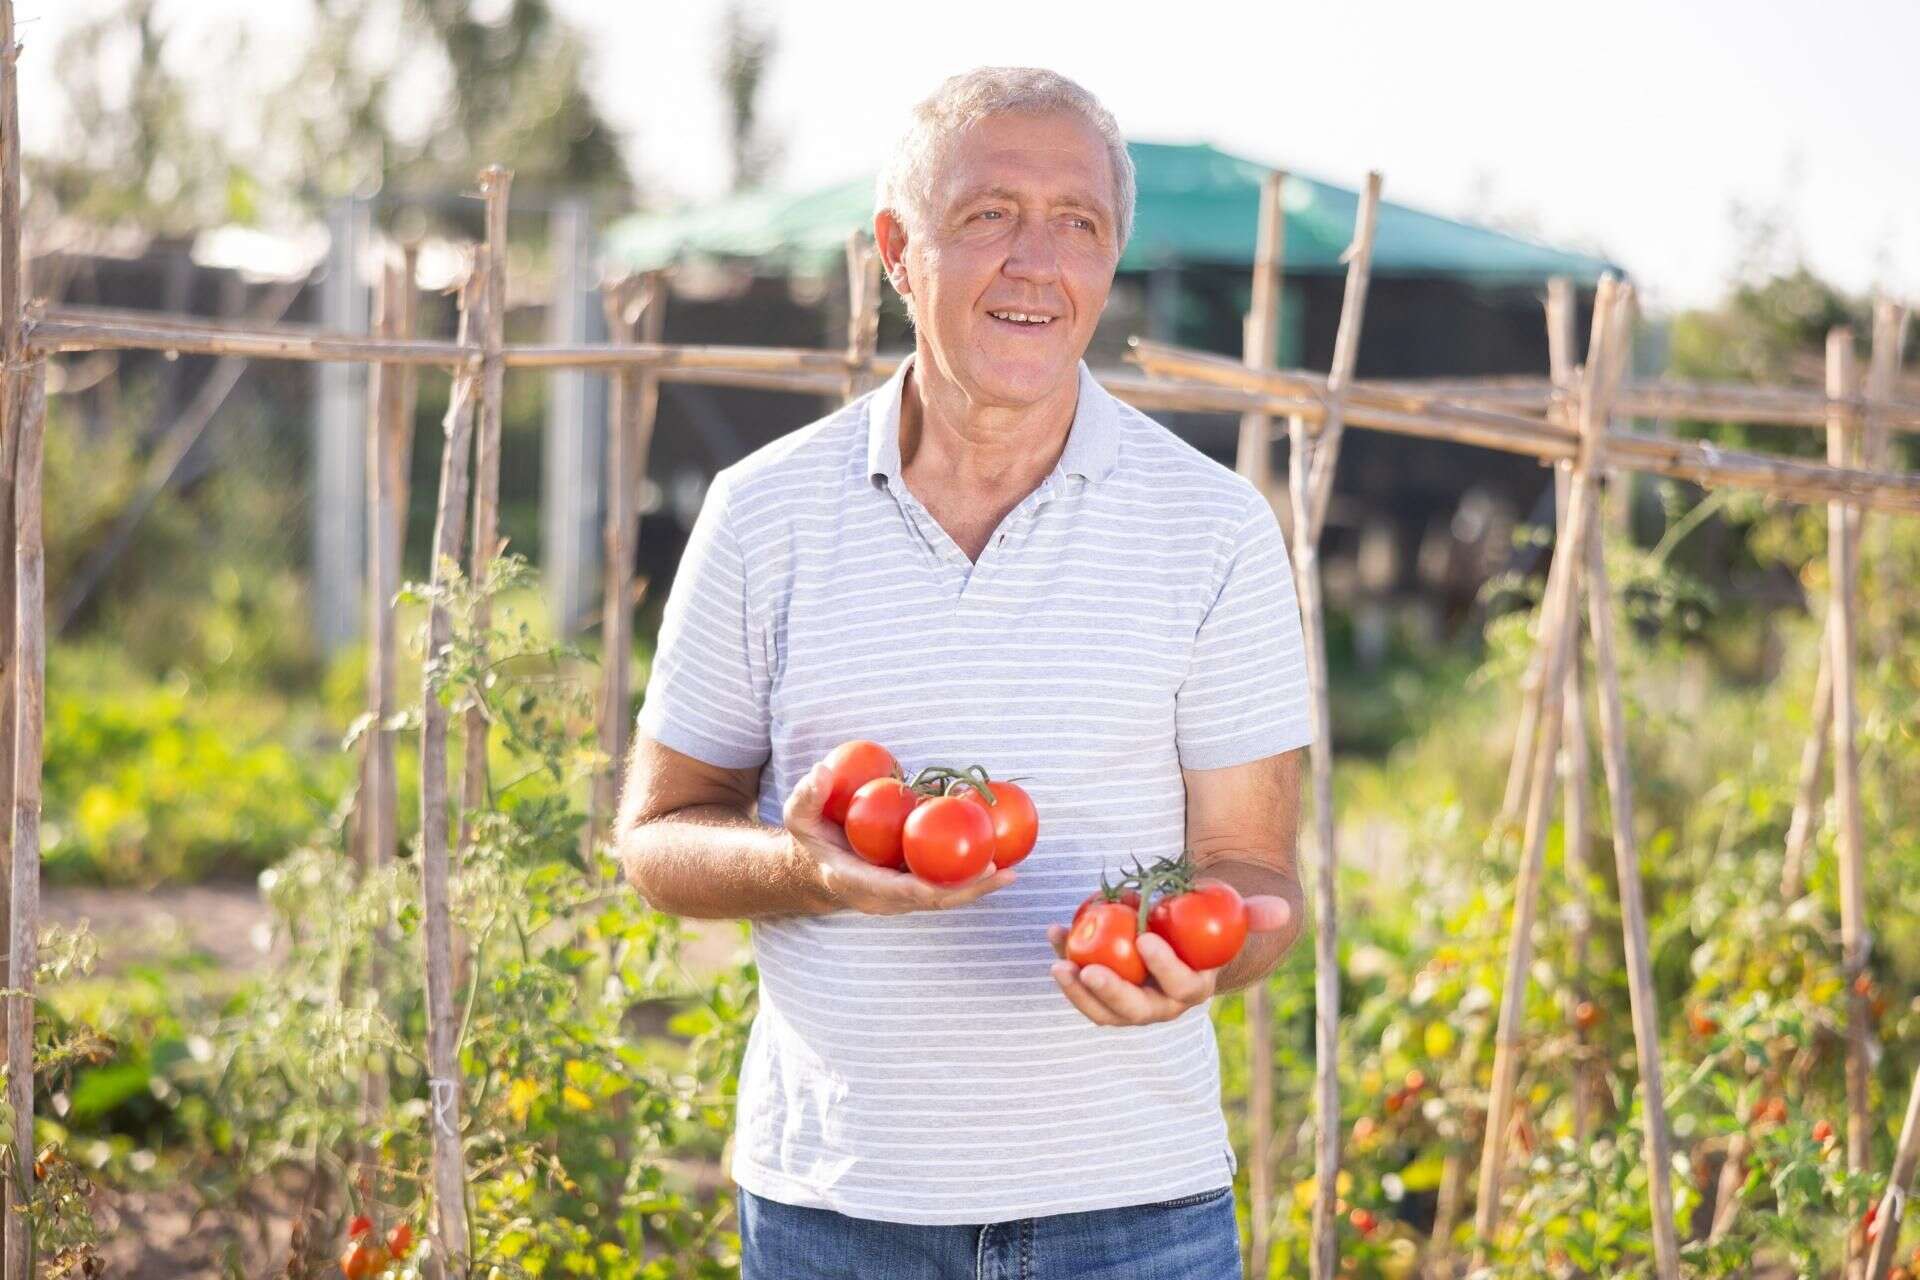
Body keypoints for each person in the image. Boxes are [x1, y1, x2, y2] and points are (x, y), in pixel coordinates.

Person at [614, 65, 1311, 1280]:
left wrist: (1198, 963)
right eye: (989, 214)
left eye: (1078, 224)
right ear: (897, 248)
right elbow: (658, 837)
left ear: (1110, 262)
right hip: (839, 1209)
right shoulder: (763, 512)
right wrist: (806, 865)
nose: (1037, 261)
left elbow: (1255, 876)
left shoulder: (1215, 528)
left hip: (1138, 1211)